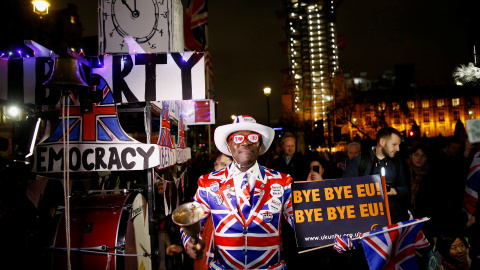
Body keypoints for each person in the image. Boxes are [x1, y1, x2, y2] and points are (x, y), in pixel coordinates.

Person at [182, 115, 294, 269]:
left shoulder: (282, 182)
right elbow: (191, 220)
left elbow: (304, 222)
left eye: (252, 138)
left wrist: (332, 234)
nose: (246, 142)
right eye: (238, 138)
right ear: (229, 146)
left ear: (260, 145)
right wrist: (190, 241)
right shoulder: (208, 183)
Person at [342, 127, 409, 223]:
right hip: (364, 221)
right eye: (394, 144)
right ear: (382, 142)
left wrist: (393, 191)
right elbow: (344, 187)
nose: (398, 149)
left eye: (399, 145)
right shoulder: (359, 161)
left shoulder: (398, 163)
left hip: (391, 221)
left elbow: (406, 189)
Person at [405, 144, 430, 216]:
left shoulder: (429, 173)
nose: (419, 158)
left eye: (423, 156)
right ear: (411, 156)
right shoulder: (403, 170)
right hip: (404, 213)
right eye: (416, 155)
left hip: (422, 214)